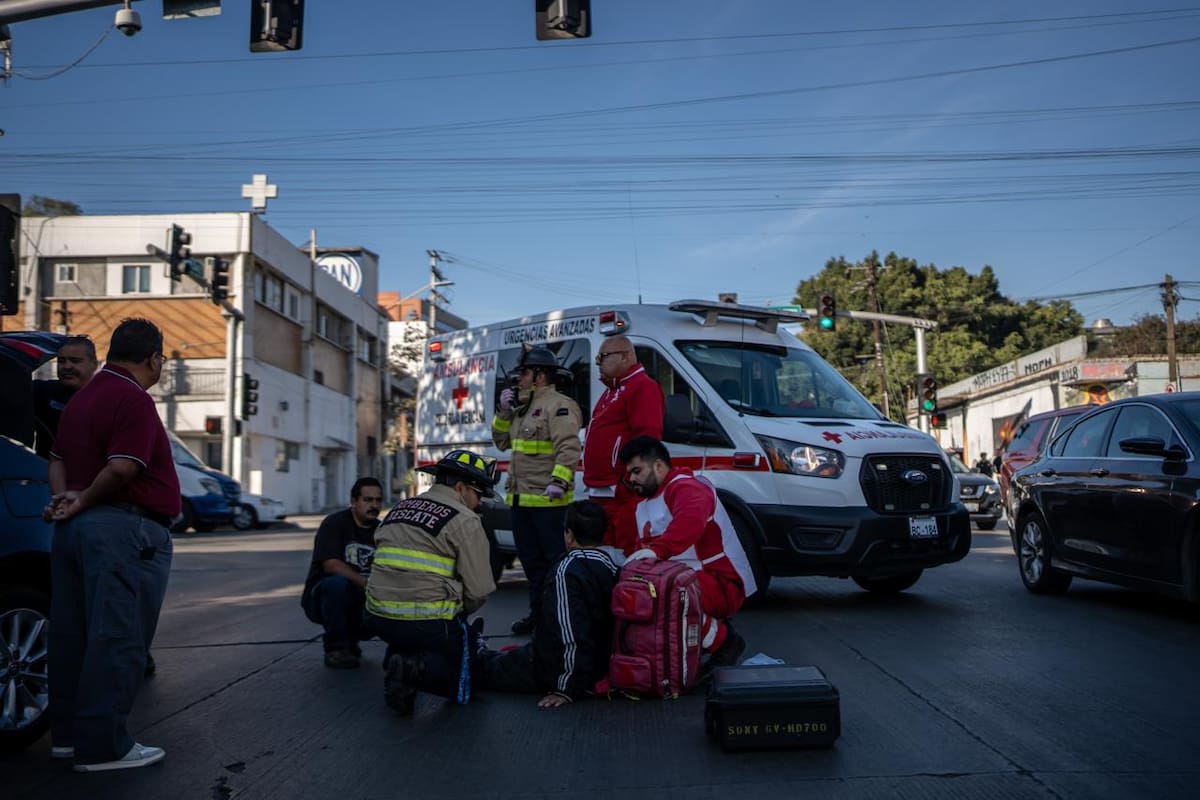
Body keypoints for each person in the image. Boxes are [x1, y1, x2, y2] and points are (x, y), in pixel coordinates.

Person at [44, 317, 178, 772]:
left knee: (70, 637)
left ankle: (66, 737)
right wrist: (83, 499)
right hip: (123, 530)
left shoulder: (82, 400)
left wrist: (65, 499)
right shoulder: (132, 398)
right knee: (117, 638)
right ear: (153, 358)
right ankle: (103, 746)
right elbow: (123, 468)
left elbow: (57, 458)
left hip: (74, 533)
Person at [365, 450, 498, 716]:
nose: (479, 503)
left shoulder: (398, 509)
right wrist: (460, 613)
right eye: (478, 494)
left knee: (413, 636)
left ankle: (398, 660)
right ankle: (414, 669)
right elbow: (479, 590)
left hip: (378, 617)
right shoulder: (465, 520)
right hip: (428, 623)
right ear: (460, 487)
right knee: (467, 682)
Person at [619, 435, 755, 670]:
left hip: (720, 581)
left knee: (664, 594)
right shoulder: (645, 501)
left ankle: (724, 642)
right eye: (629, 473)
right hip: (690, 579)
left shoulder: (686, 487)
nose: (631, 479)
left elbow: (690, 522)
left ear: (658, 465)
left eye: (637, 471)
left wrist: (656, 551)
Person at [477, 500, 619, 708]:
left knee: (484, 668)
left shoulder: (566, 571)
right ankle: (482, 651)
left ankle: (474, 652)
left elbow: (571, 635)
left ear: (569, 535)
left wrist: (566, 689)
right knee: (504, 658)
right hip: (599, 665)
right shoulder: (611, 565)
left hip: (552, 669)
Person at [492, 345, 583, 635]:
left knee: (553, 565)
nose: (519, 378)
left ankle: (557, 619)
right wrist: (503, 412)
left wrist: (559, 481)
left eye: (525, 373)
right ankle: (539, 616)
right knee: (531, 565)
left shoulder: (559, 405)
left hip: (549, 504)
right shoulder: (522, 407)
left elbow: (568, 448)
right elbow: (502, 442)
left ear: (540, 375)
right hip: (521, 501)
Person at [581, 335, 664, 555]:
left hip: (621, 495)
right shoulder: (611, 391)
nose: (598, 362)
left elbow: (647, 437)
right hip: (601, 492)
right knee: (603, 553)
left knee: (622, 552)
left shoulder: (642, 387)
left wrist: (629, 480)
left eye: (603, 356)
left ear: (625, 356)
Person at [301, 477, 384, 669]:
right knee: (338, 584)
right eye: (368, 500)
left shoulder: (383, 530)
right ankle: (336, 649)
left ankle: (354, 642)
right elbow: (331, 565)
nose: (374, 505)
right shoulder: (335, 523)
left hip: (364, 597)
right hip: (325, 597)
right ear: (354, 501)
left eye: (378, 500)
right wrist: (367, 584)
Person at [33, 335, 99, 458]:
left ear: (94, 364)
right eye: (61, 361)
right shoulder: (42, 391)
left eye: (75, 360)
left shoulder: (106, 399)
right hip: (44, 472)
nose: (66, 366)